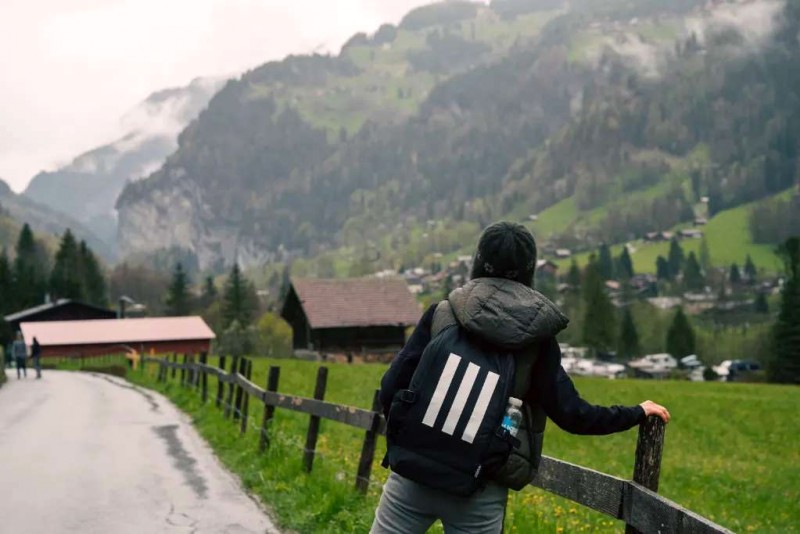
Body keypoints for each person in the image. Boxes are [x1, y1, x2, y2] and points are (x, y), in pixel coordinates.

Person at [372, 222, 670, 534]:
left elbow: (391, 386)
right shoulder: (536, 341)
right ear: (530, 271)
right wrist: (636, 412)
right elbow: (574, 416)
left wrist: (409, 442)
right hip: (478, 487)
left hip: (411, 475)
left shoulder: (442, 314)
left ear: (478, 261)